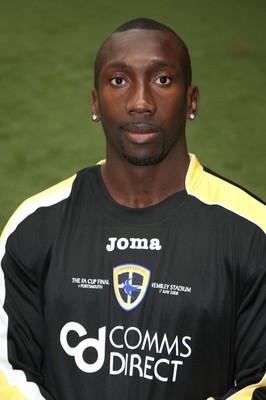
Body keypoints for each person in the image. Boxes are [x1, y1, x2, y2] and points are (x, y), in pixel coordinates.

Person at [0, 17, 265, 400]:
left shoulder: (252, 233)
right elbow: (8, 371)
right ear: (95, 102)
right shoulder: (35, 226)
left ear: (191, 100)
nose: (141, 102)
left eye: (162, 80)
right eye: (119, 80)